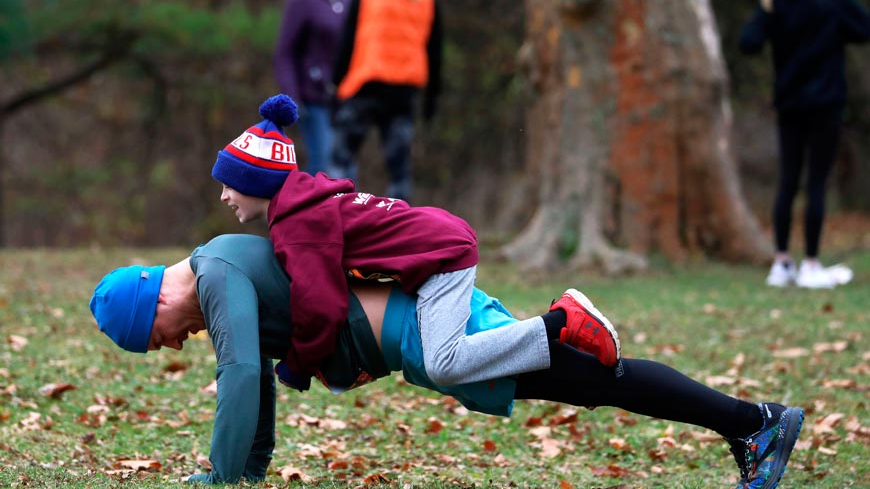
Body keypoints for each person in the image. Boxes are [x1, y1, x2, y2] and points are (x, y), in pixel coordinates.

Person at [89, 233, 804, 489]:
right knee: (594, 388)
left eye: (157, 340)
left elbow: (244, 373)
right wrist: (248, 469)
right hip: (426, 344)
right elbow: (257, 374)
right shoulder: (222, 277)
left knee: (599, 382)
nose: (173, 347)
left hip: (437, 334)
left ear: (149, 305)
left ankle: (756, 422)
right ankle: (752, 425)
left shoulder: (216, 276)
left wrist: (218, 476)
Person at [211, 94, 621, 396]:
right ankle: (557, 334)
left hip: (443, 255)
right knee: (441, 359)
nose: (225, 196)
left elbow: (321, 304)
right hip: (435, 248)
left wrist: (297, 366)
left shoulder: (296, 222)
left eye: (230, 185)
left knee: (443, 363)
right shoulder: (303, 204)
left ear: (256, 183)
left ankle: (561, 322)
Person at [739, 0, 870, 289]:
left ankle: (782, 262)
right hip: (826, 102)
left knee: (788, 181)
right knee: (815, 182)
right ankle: (810, 263)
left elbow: (749, 42)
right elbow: (863, 28)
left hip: (789, 103)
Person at [330, 0, 442, 202]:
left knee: (340, 164)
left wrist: (336, 83)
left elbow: (348, 42)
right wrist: (431, 99)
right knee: (399, 170)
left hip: (366, 85)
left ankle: (338, 218)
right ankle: (399, 228)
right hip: (404, 92)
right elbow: (435, 47)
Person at [273, 0, 352, 175]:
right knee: (326, 166)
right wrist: (292, 96)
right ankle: (306, 212)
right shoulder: (302, 0)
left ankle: (344, 214)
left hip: (345, 98)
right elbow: (285, 52)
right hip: (313, 97)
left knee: (347, 169)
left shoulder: (348, 0)